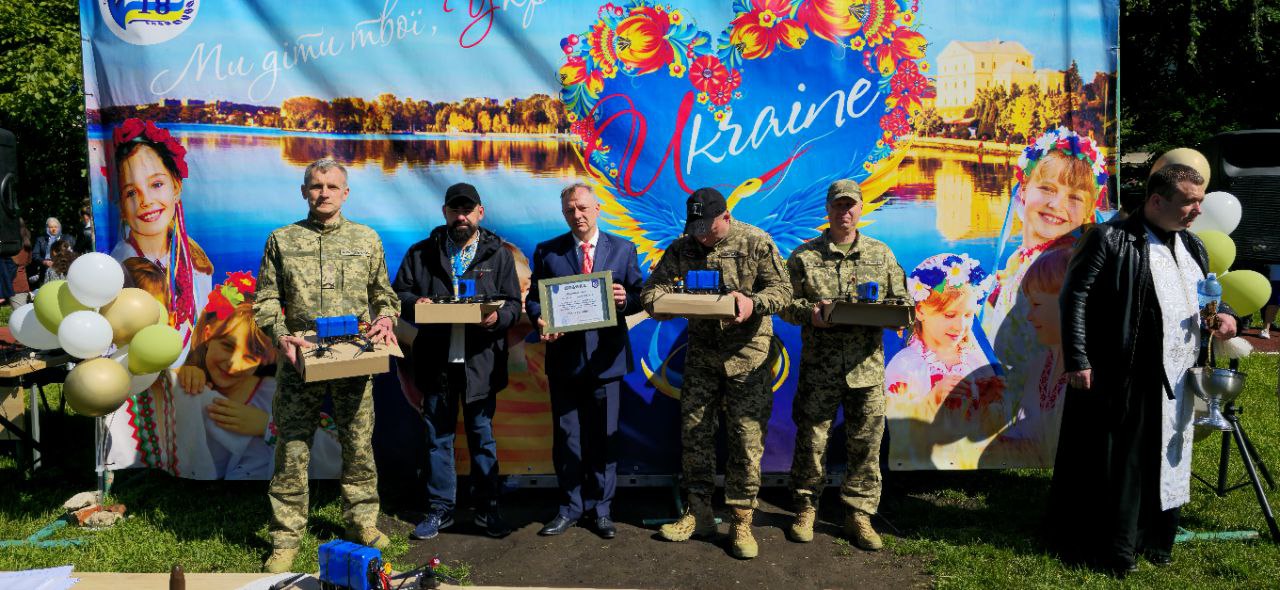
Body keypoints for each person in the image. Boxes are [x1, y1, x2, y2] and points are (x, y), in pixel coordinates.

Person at [1049, 163, 1238, 576]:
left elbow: (1204, 290)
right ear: (1156, 201)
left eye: (1201, 201)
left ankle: (1156, 538)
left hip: (1179, 375)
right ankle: (1116, 548)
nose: (1198, 210)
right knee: (1126, 463)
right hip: (1126, 373)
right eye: (1189, 202)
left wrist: (1222, 312)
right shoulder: (1108, 238)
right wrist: (1078, 358)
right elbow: (1074, 297)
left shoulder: (1192, 244)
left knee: (1167, 456)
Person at [254, 158, 400, 573]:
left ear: (345, 193)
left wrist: (386, 318)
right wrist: (280, 334)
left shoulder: (366, 238)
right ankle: (285, 536)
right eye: (316, 186)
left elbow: (383, 294)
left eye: (332, 186)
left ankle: (362, 522)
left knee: (358, 443)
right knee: (292, 448)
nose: (324, 193)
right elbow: (266, 299)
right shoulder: (282, 239)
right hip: (301, 359)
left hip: (354, 356)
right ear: (304, 191)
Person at [640, 187, 792, 560]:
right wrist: (663, 305)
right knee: (695, 436)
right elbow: (652, 291)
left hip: (748, 358)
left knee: (745, 440)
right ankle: (699, 514)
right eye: (695, 228)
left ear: (726, 216)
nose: (700, 236)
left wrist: (753, 303)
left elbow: (783, 291)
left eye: (706, 228)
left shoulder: (756, 241)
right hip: (702, 359)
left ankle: (741, 520)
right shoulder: (682, 248)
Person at [779, 180, 906, 550]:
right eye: (838, 205)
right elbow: (784, 304)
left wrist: (895, 316)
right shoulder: (804, 256)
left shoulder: (880, 254)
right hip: (820, 369)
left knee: (866, 443)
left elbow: (902, 301)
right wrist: (811, 314)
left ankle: (859, 514)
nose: (844, 212)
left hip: (866, 369)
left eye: (850, 205)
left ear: (861, 209)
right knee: (812, 441)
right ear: (828, 209)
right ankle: (806, 508)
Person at [391, 182, 522, 540]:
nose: (461, 217)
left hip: (482, 364)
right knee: (438, 439)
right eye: (455, 210)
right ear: (445, 213)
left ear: (480, 212)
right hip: (436, 363)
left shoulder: (499, 255)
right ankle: (440, 510)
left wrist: (498, 318)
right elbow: (400, 293)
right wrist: (415, 304)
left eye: (467, 210)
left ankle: (487, 509)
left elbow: (513, 304)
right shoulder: (421, 253)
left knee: (483, 438)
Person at [525, 183, 643, 539]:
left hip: (607, 360)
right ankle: (569, 508)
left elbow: (640, 295)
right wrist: (540, 318)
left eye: (582, 208)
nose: (577, 215)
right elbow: (534, 299)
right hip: (565, 361)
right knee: (567, 438)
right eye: (570, 210)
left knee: (605, 438)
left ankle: (602, 510)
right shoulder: (548, 251)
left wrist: (625, 300)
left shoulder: (623, 249)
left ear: (597, 209)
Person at [981, 128, 1108, 457]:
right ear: (1023, 189)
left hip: (1038, 409)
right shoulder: (1016, 260)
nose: (1056, 204)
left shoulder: (1072, 271)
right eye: (1047, 188)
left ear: (1090, 210)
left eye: (1075, 197)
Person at [174, 271, 342, 480]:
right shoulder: (192, 382)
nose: (234, 363)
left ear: (266, 357)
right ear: (208, 334)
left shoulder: (276, 395)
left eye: (250, 355)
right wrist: (181, 375)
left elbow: (331, 456)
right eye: (227, 346)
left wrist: (266, 426)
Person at [884, 253, 1005, 469]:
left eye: (968, 315)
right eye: (949, 315)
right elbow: (897, 429)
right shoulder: (905, 365)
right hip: (922, 462)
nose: (960, 326)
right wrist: (933, 398)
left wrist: (992, 397)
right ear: (921, 311)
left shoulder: (973, 360)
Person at [109, 117, 214, 364]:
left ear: (176, 187)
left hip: (190, 374)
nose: (146, 201)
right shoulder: (119, 266)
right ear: (121, 205)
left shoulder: (194, 259)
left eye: (156, 184)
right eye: (131, 192)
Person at [30, 217, 75, 287]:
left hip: (63, 269)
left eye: (56, 227)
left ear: (59, 227)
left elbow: (71, 254)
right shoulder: (40, 240)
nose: (53, 229)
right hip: (45, 269)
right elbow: (35, 255)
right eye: (51, 227)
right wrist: (44, 262)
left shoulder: (67, 238)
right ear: (47, 228)